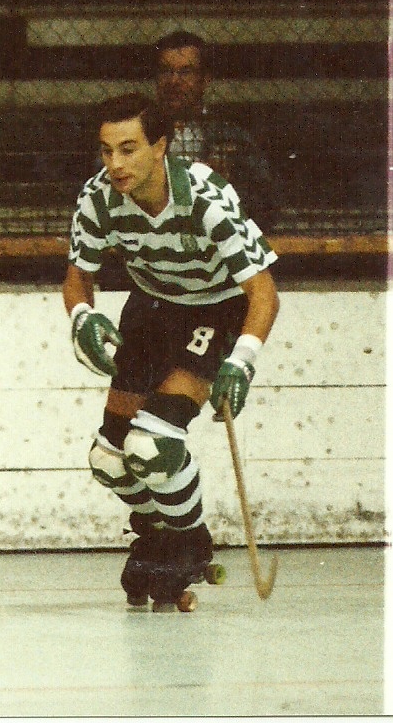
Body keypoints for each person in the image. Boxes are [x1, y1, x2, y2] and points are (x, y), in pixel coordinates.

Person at [63, 92, 279, 610]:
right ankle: (156, 535)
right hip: (151, 308)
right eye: (107, 150)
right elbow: (77, 277)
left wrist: (242, 360)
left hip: (215, 309)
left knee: (153, 446)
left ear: (160, 146)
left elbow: (264, 293)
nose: (115, 163)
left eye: (129, 149)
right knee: (109, 459)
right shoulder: (97, 197)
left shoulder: (206, 199)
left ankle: (189, 541)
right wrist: (82, 317)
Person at [153, 30, 282, 232]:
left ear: (205, 80)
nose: (174, 81)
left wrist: (228, 186)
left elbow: (268, 206)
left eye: (186, 72)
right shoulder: (138, 132)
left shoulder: (232, 137)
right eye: (166, 71)